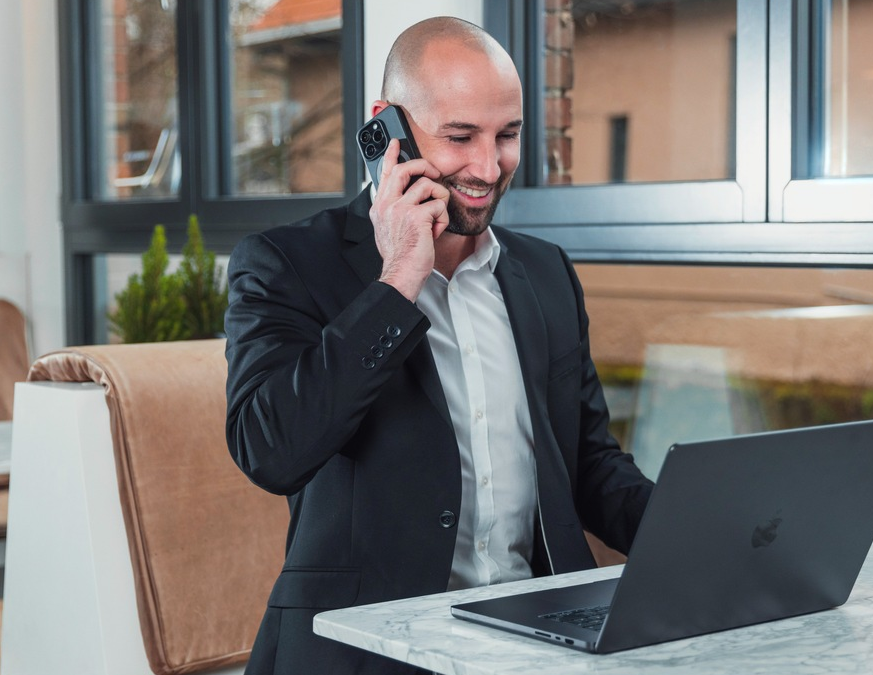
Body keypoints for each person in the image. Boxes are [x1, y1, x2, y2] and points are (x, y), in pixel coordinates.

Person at [224, 16, 654, 675]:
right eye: (460, 137)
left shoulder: (545, 273)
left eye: (507, 135)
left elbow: (589, 467)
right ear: (387, 128)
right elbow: (269, 450)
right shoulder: (286, 263)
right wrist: (398, 279)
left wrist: (706, 535)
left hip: (533, 644)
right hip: (365, 652)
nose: (488, 167)